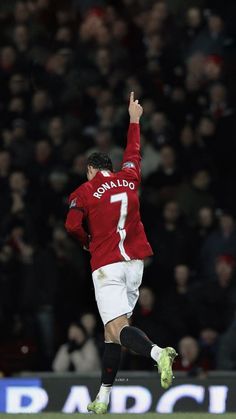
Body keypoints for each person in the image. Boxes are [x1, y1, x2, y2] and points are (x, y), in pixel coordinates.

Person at [65, 92, 177, 414]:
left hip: (108, 264)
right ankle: (103, 397)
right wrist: (134, 119)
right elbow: (134, 153)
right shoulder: (128, 179)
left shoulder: (84, 191)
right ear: (110, 169)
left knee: (116, 328)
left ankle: (158, 354)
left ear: (89, 170)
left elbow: (72, 226)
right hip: (135, 264)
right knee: (112, 333)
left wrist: (87, 241)